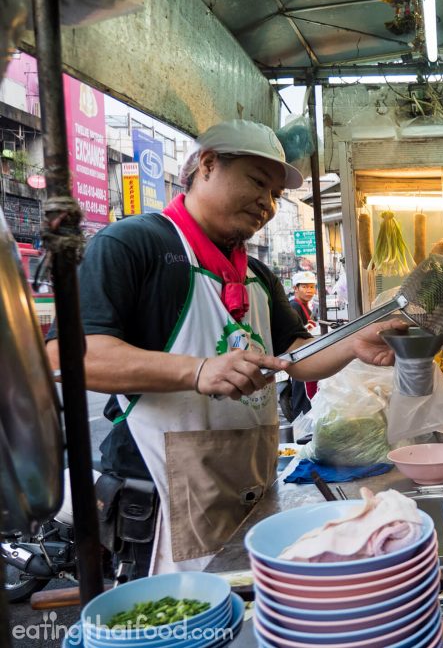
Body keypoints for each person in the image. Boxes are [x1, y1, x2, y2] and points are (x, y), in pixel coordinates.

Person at [46, 119, 404, 577]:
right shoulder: (135, 244)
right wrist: (197, 371)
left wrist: (352, 344)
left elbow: (295, 357)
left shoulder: (256, 273)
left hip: (245, 489)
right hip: (163, 496)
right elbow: (69, 357)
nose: (268, 205)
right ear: (208, 165)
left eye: (275, 194)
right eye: (258, 182)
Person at [285, 271, 319, 418]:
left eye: (312, 287)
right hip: (300, 356)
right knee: (301, 391)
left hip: (306, 355)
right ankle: (301, 422)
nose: (309, 290)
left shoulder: (305, 306)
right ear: (295, 288)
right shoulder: (294, 306)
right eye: (304, 287)